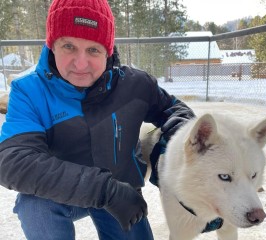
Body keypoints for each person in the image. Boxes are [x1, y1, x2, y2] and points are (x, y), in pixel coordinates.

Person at [0, 0, 195, 239]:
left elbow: (175, 110)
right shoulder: (29, 91)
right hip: (65, 194)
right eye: (68, 46)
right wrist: (105, 190)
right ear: (52, 45)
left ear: (108, 50)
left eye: (93, 50)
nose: (81, 64)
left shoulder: (136, 85)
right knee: (35, 206)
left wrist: (180, 133)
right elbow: (13, 161)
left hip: (123, 190)